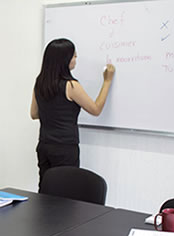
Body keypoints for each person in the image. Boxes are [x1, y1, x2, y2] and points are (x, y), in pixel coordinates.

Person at [30, 38, 115, 192]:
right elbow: (95, 109)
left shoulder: (40, 82)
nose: (76, 59)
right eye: (73, 56)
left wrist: (51, 111)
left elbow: (34, 113)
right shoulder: (71, 86)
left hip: (44, 145)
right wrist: (107, 81)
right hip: (65, 147)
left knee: (46, 190)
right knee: (65, 192)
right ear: (64, 60)